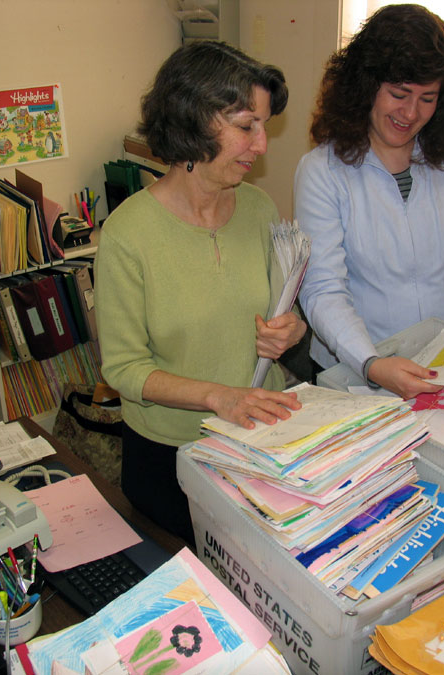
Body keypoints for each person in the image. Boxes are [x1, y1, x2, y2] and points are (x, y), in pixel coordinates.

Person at [94, 41, 306, 545]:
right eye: (245, 126)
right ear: (193, 120)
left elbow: (283, 310)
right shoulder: (128, 235)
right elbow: (124, 370)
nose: (262, 146)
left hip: (259, 440)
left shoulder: (258, 208)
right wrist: (218, 396)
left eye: (264, 126)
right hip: (172, 456)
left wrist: (290, 329)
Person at [294, 4, 444, 399]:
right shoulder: (322, 171)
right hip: (358, 369)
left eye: (427, 99)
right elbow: (323, 289)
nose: (411, 113)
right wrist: (371, 363)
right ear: (366, 87)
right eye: (399, 94)